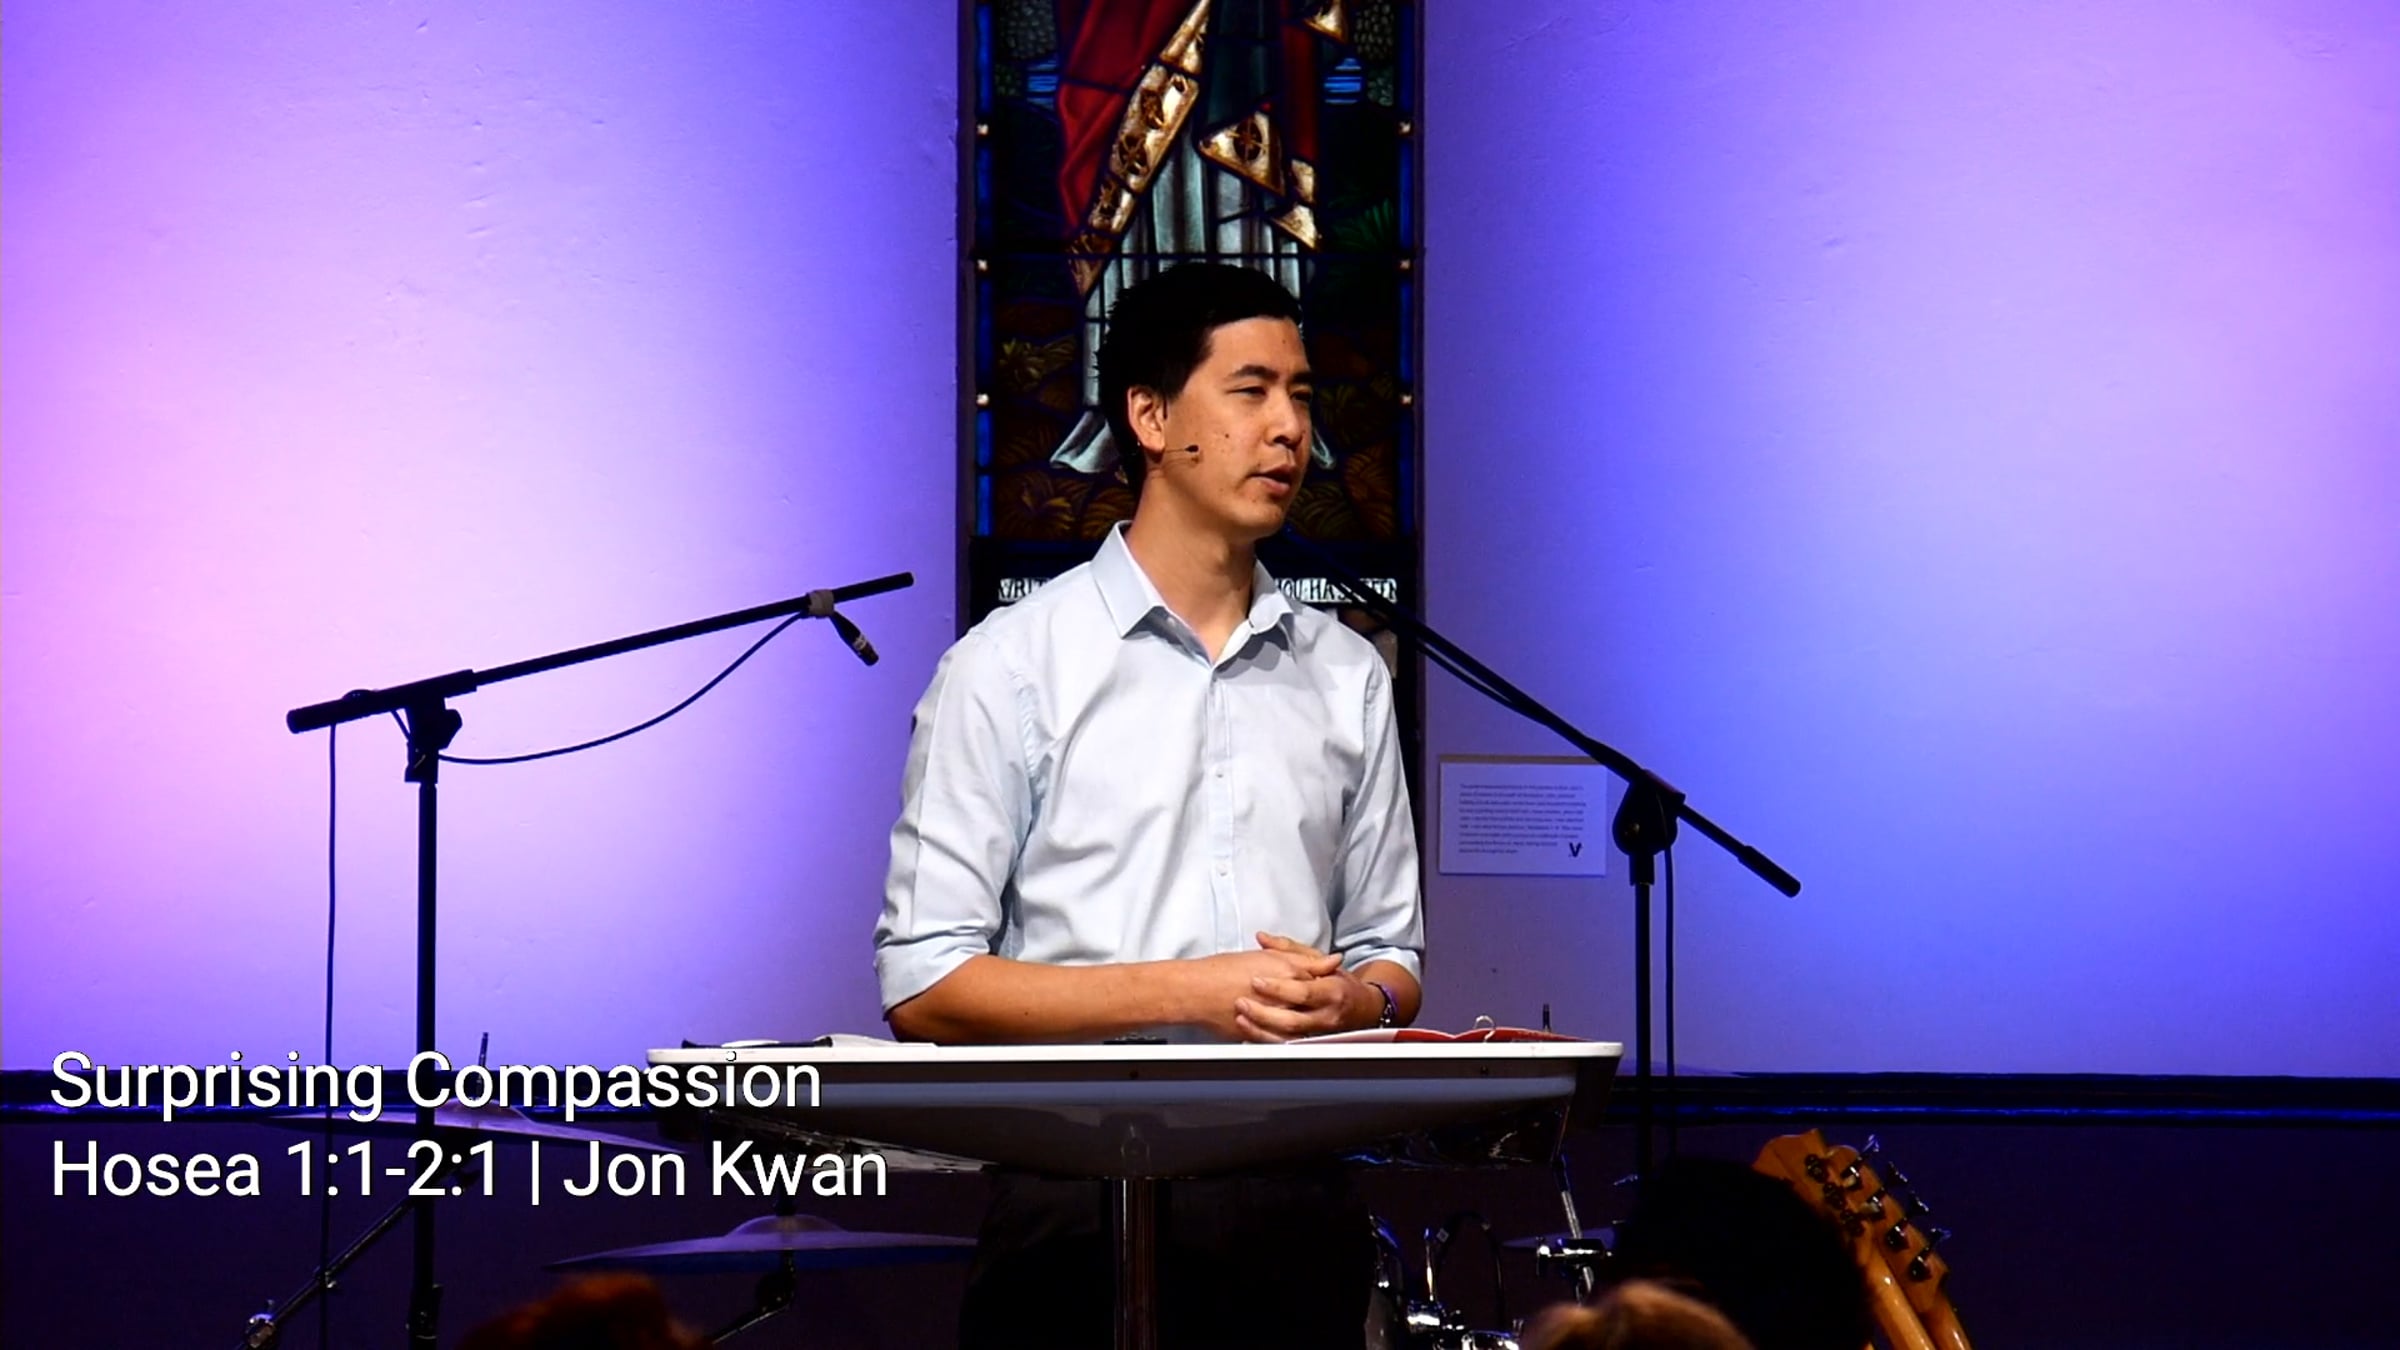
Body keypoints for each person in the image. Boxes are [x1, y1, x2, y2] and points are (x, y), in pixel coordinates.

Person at [873, 261, 1425, 1346]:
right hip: (1070, 1204)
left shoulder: (1347, 672)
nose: (1290, 429)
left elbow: (1391, 954)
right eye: (1250, 390)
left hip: (1293, 1199)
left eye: (1302, 395)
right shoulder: (1010, 665)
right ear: (1150, 416)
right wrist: (1194, 991)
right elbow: (925, 981)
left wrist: (1352, 1005)